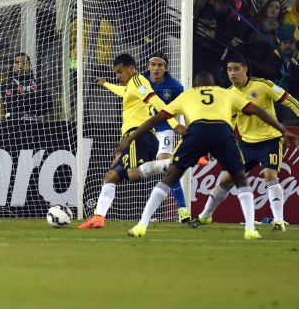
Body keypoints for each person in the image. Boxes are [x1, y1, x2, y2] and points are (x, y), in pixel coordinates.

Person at [122, 71, 298, 240]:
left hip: (196, 132)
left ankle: (141, 225)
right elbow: (258, 110)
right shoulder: (225, 93)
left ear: (195, 86)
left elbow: (157, 117)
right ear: (213, 85)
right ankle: (250, 229)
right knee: (240, 178)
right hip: (222, 132)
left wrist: (131, 137)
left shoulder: (188, 95)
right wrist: (283, 130)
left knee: (170, 177)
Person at [190, 54, 299, 232]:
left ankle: (279, 221)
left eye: (236, 69)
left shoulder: (263, 86)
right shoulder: (228, 94)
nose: (232, 73)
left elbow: (290, 100)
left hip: (270, 139)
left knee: (270, 175)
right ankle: (204, 216)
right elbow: (228, 121)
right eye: (229, 69)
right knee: (226, 180)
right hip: (246, 143)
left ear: (245, 69)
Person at [78, 54, 185, 229]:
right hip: (139, 137)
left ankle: (172, 162)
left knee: (133, 175)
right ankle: (98, 217)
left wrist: (174, 125)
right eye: (116, 73)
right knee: (111, 176)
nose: (117, 76)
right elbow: (123, 92)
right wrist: (105, 84)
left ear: (131, 69)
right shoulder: (131, 86)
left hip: (138, 135)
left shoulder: (138, 81)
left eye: (120, 72)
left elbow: (157, 102)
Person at [141, 53, 190, 223]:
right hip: (143, 129)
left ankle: (183, 209)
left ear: (166, 68)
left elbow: (185, 108)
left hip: (165, 130)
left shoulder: (175, 87)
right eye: (153, 65)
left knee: (167, 167)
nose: (156, 68)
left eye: (160, 65)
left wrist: (190, 127)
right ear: (148, 67)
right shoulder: (141, 81)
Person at [0, 52, 53, 121]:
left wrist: (22, 98)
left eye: (24, 63)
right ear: (13, 66)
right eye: (17, 63)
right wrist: (36, 96)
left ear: (29, 65)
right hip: (14, 125)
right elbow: (13, 104)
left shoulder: (38, 83)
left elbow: (49, 105)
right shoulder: (5, 84)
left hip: (37, 126)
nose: (20, 66)